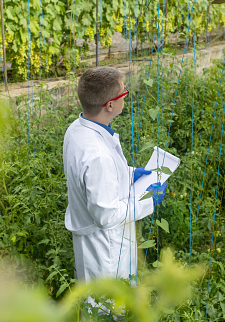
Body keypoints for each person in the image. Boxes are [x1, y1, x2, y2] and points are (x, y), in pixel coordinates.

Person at [63, 66, 167, 287]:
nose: (126, 96)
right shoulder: (97, 155)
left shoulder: (76, 129)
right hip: (106, 251)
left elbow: (94, 177)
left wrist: (129, 174)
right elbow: (106, 215)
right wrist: (148, 200)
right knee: (110, 309)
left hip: (92, 244)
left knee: (93, 305)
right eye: (124, 92)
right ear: (110, 105)